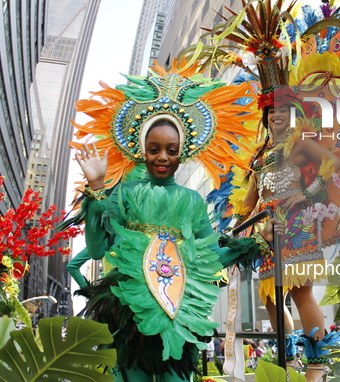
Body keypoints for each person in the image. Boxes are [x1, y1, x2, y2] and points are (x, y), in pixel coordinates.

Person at [68, 64, 276, 382]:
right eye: (154, 149)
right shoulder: (124, 193)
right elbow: (97, 250)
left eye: (171, 150)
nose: (162, 157)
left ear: (183, 152)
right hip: (129, 311)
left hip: (177, 314)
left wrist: (256, 242)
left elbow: (207, 257)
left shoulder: (192, 201)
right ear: (143, 150)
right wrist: (97, 189)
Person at [235, 99, 340, 382]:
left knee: (300, 293)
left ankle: (317, 364)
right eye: (272, 111)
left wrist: (309, 193)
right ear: (266, 117)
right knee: (271, 297)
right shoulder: (260, 157)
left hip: (297, 224)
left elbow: (333, 161)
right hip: (269, 230)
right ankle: (289, 360)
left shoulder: (300, 143)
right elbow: (251, 198)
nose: (277, 115)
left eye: (283, 110)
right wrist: (237, 226)